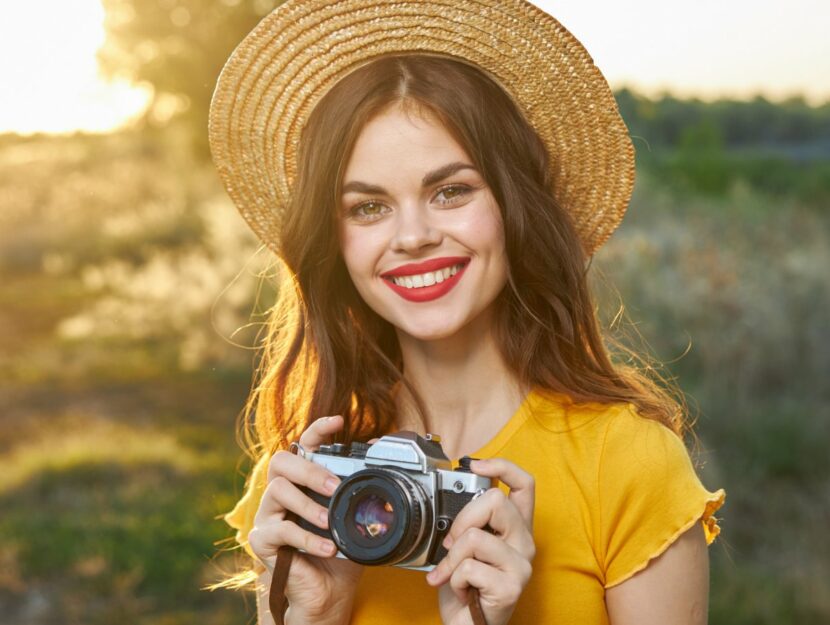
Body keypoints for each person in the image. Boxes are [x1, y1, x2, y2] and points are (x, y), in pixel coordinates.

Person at [208, 1, 725, 624]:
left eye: (450, 191)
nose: (414, 236)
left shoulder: (628, 461)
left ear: (513, 204)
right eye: (368, 207)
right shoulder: (307, 483)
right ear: (334, 242)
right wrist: (307, 618)